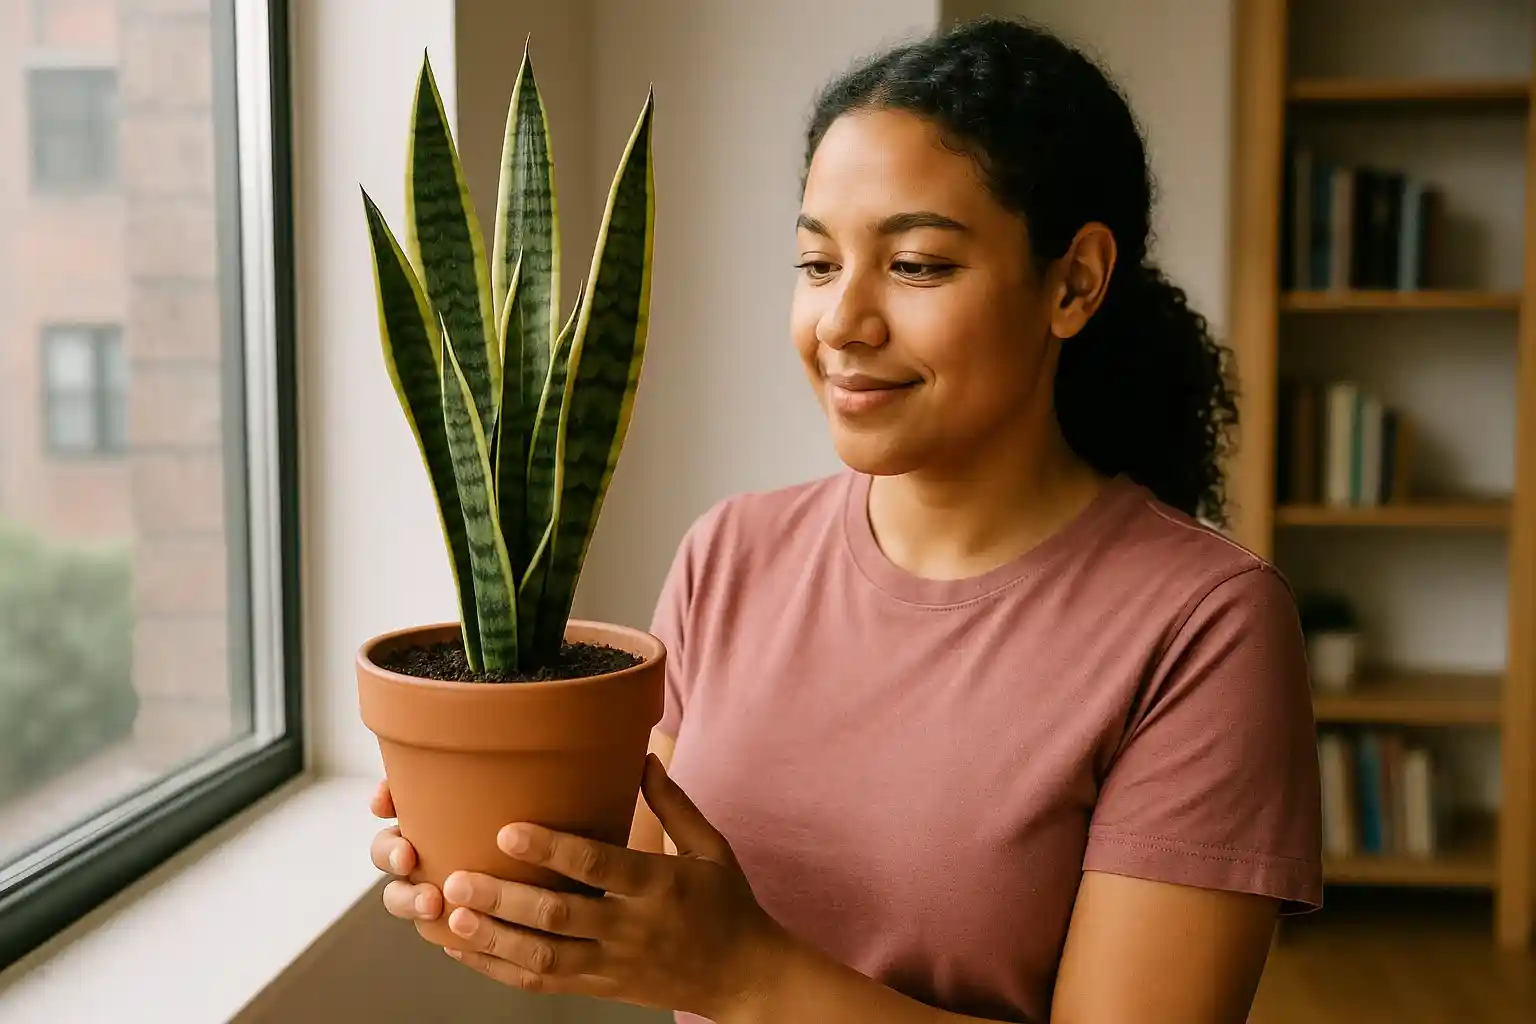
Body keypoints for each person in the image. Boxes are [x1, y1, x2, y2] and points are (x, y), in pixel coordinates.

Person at [367, 15, 1322, 1024]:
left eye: (917, 265)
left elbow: (715, 965)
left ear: (1074, 281)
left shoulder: (1207, 626)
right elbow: (635, 922)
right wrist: (485, 871)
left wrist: (745, 975)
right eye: (819, 265)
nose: (842, 323)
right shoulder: (730, 555)